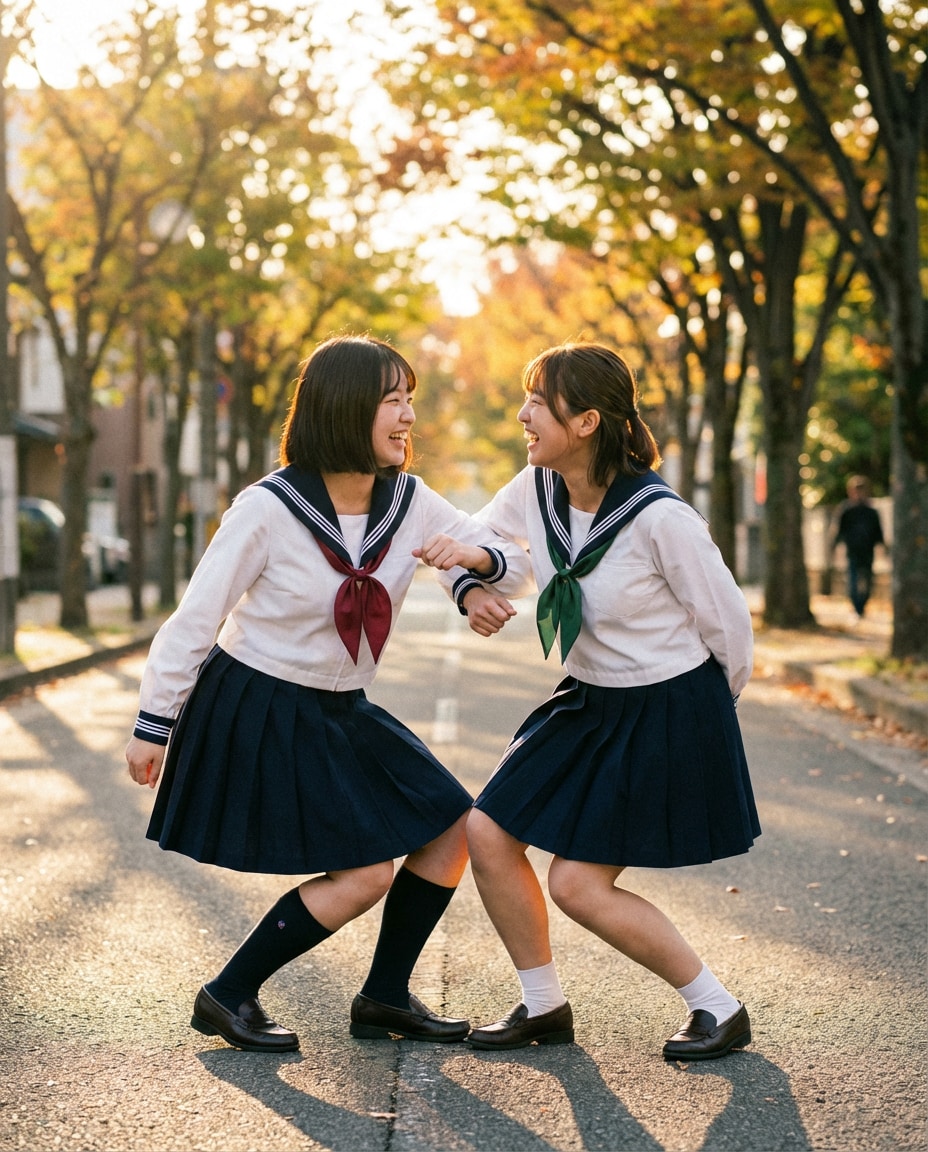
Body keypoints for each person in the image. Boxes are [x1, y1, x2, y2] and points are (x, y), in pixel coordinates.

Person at [125, 333, 528, 1054]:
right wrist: (153, 724)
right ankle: (229, 994)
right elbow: (197, 617)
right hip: (262, 704)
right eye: (393, 401)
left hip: (342, 708)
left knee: (451, 829)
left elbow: (508, 565)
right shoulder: (268, 508)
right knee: (367, 869)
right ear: (346, 409)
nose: (408, 418)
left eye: (411, 401)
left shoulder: (406, 499)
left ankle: (382, 997)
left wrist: (469, 570)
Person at [425, 341, 760, 1061]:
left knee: (576, 883)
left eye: (538, 403)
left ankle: (718, 1008)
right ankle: (543, 1007)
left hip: (666, 706)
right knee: (486, 833)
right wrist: (474, 583)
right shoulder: (537, 489)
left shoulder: (660, 518)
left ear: (586, 422)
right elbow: (487, 546)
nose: (523, 415)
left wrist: (700, 720)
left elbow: (728, 626)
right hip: (588, 700)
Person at [834, 475, 885, 620]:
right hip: (853, 552)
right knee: (853, 581)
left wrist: (882, 547)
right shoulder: (846, 511)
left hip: (868, 551)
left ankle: (862, 606)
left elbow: (878, 531)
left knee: (867, 581)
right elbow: (839, 531)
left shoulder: (871, 512)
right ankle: (857, 607)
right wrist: (835, 547)